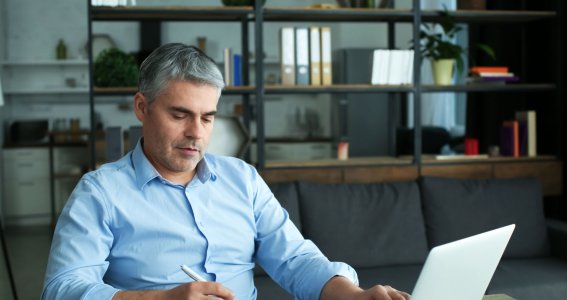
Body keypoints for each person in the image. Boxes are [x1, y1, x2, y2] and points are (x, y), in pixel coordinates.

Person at [41, 43, 410, 300]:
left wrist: (352, 294)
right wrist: (159, 299)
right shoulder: (100, 192)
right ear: (142, 107)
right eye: (179, 114)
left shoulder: (242, 179)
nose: (196, 133)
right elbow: (62, 287)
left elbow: (295, 259)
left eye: (207, 117)